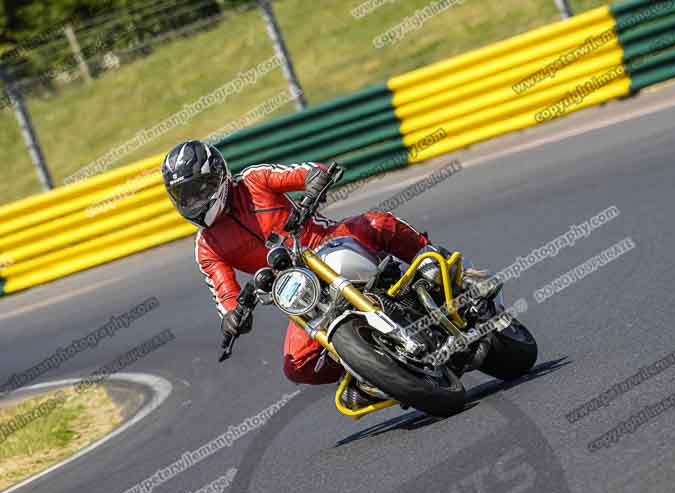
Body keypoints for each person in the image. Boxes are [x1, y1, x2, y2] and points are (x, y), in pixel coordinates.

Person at [162, 140, 486, 409]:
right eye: (183, 196)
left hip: (326, 243)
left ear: (217, 176)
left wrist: (315, 182)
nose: (192, 201)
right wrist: (233, 318)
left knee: (377, 222)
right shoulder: (207, 246)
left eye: (196, 190)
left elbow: (308, 172)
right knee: (296, 365)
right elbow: (226, 297)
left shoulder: (254, 180)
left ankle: (440, 266)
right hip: (298, 292)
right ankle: (367, 373)